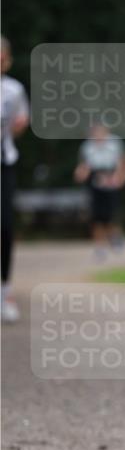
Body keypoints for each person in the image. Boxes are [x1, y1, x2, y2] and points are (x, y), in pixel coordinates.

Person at [1, 36, 30, 323]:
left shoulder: (14, 89)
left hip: (4, 163)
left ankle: (5, 291)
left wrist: (20, 126)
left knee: (6, 227)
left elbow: (20, 122)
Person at [74, 123, 125, 261]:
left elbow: (124, 161)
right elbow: (84, 165)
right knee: (96, 216)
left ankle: (115, 236)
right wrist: (81, 173)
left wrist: (121, 177)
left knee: (111, 214)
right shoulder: (87, 146)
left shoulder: (115, 143)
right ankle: (100, 246)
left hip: (111, 178)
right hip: (95, 180)